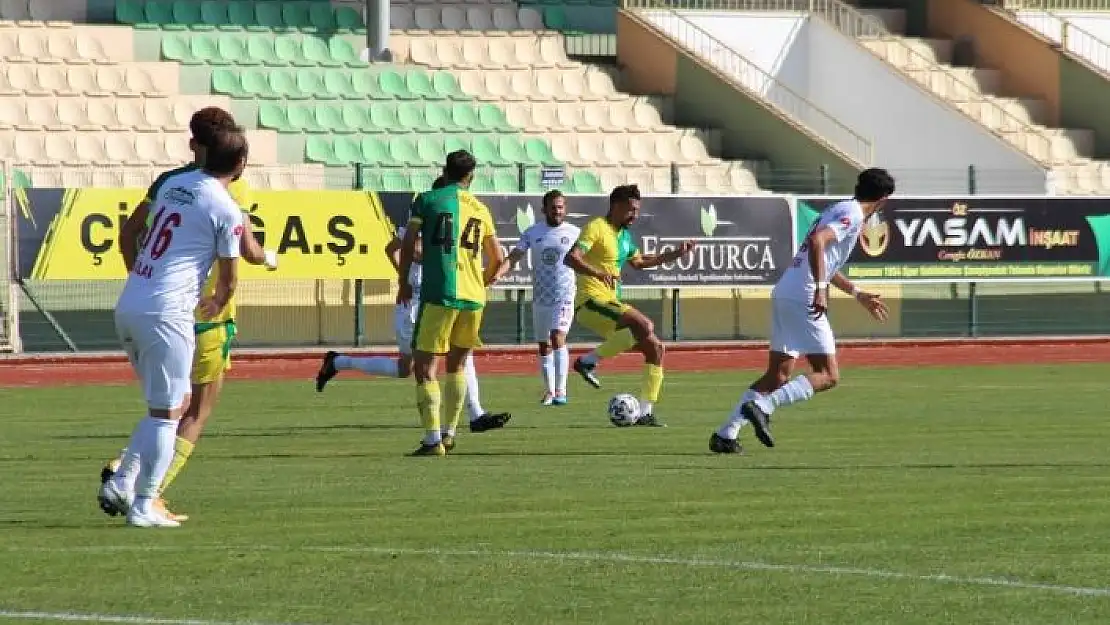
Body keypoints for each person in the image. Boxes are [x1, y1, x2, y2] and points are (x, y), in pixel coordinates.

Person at [99, 108, 276, 523]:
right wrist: (217, 301)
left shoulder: (173, 183)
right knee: (172, 414)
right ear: (240, 164)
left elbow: (134, 234)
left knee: (167, 404)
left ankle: (124, 481)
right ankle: (145, 504)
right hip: (170, 313)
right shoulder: (228, 207)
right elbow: (230, 278)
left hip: (131, 303)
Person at [710, 168, 895, 454]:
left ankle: (725, 434)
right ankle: (762, 406)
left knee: (777, 376)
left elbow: (824, 260)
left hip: (787, 291)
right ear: (883, 200)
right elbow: (818, 242)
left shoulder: (839, 209)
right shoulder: (854, 214)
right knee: (828, 375)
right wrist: (820, 288)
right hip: (804, 296)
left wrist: (857, 294)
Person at [315, 177, 511, 434]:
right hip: (416, 302)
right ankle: (339, 362)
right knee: (407, 368)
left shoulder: (456, 220)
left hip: (442, 298)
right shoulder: (422, 217)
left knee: (461, 355)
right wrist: (405, 279)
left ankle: (475, 414)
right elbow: (393, 248)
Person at [399, 151, 504, 456]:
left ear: (444, 172)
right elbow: (497, 259)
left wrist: (404, 280)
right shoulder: (481, 209)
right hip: (473, 298)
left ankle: (432, 440)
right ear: (470, 177)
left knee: (424, 368)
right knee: (457, 365)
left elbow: (408, 243)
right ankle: (450, 433)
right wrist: (480, 282)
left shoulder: (428, 199)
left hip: (440, 293)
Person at [563, 184, 695, 427]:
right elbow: (571, 257)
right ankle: (587, 361)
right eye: (631, 209)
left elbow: (641, 262)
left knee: (656, 348)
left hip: (610, 303)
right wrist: (598, 273)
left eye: (637, 210)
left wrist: (675, 254)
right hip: (591, 302)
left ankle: (645, 412)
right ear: (616, 206)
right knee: (644, 324)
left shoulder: (624, 237)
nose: (635, 215)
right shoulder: (596, 227)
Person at [497, 189, 580, 405]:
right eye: (553, 207)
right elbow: (515, 255)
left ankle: (561, 391)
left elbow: (585, 259)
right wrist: (498, 273)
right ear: (544, 209)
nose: (557, 211)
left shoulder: (574, 232)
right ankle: (550, 391)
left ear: (565, 209)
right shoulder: (532, 232)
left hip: (564, 295)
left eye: (561, 207)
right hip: (541, 298)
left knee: (557, 336)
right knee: (544, 346)